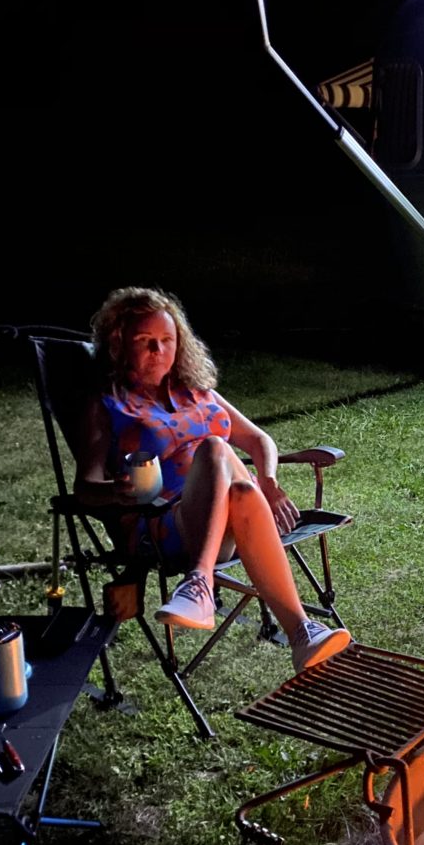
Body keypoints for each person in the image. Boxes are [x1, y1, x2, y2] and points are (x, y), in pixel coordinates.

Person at [74, 286, 352, 672]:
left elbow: (259, 439)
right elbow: (84, 489)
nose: (158, 350)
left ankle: (291, 629)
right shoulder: (109, 405)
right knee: (216, 448)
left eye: (167, 340)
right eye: (144, 340)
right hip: (165, 524)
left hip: (239, 522)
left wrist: (269, 482)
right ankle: (217, 588)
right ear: (119, 343)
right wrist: (116, 491)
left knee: (242, 488)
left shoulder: (196, 392)